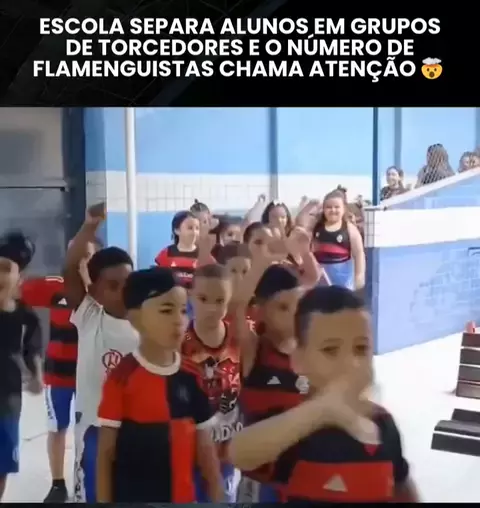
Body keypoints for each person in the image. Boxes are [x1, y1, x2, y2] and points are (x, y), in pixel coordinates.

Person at [229, 285, 419, 503]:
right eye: (330, 350)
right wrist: (323, 410)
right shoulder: (292, 429)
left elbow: (401, 485)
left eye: (361, 348)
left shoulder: (383, 424)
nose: (350, 363)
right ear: (298, 360)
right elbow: (239, 453)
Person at [96, 267, 223, 502]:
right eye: (166, 310)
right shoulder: (122, 377)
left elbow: (207, 454)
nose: (178, 321)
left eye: (183, 311)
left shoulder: (193, 375)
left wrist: (218, 496)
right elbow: (106, 454)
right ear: (135, 318)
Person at [63, 202, 139, 503]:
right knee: (94, 495)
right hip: (94, 427)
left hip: (134, 429)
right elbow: (70, 267)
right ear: (94, 290)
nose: (122, 291)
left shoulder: (147, 323)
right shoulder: (89, 316)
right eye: (112, 285)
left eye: (127, 283)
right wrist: (89, 226)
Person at [21, 239, 100, 503]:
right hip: (57, 376)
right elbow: (16, 291)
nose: (80, 259)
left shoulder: (102, 290)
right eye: (75, 253)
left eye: (86, 255)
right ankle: (57, 484)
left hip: (91, 376)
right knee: (57, 428)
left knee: (89, 432)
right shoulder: (56, 286)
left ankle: (86, 482)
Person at [233, 261, 306, 502]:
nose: (293, 315)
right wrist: (261, 260)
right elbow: (237, 306)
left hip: (300, 477)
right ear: (261, 311)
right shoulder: (255, 350)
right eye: (283, 308)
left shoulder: (311, 356)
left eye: (298, 307)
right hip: (260, 479)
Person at [182, 264, 241, 502]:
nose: (211, 308)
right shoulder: (178, 342)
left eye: (220, 300)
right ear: (190, 296)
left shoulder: (240, 339)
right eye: (203, 299)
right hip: (188, 455)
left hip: (226, 454)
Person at [0, 231, 43, 501]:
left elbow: (32, 349)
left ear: (20, 278)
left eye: (6, 269)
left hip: (7, 398)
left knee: (2, 463)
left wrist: (37, 375)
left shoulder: (25, 315)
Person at [312, 189, 365, 290]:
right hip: (321, 276)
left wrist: (359, 275)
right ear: (323, 209)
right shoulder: (317, 227)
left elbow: (358, 253)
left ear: (344, 209)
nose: (333, 210)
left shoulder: (349, 228)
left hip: (343, 278)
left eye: (337, 207)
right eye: (328, 207)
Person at [155, 211, 200, 288]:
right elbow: (159, 281)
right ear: (177, 230)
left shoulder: (204, 255)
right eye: (190, 228)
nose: (194, 232)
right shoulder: (166, 254)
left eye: (197, 228)